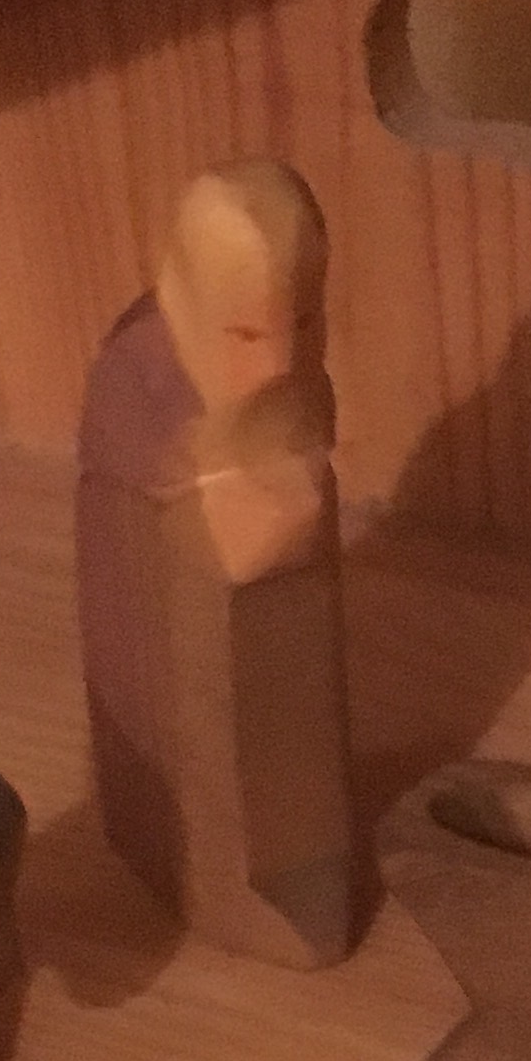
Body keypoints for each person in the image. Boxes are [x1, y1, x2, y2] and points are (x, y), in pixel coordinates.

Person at [77, 161, 364, 969]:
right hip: (180, 647)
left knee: (291, 747)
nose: (280, 364)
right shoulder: (139, 380)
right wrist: (245, 515)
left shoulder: (289, 380)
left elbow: (303, 438)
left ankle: (299, 866)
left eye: (303, 323)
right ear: (182, 299)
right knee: (222, 771)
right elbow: (186, 528)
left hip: (283, 652)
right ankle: (227, 884)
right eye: (245, 336)